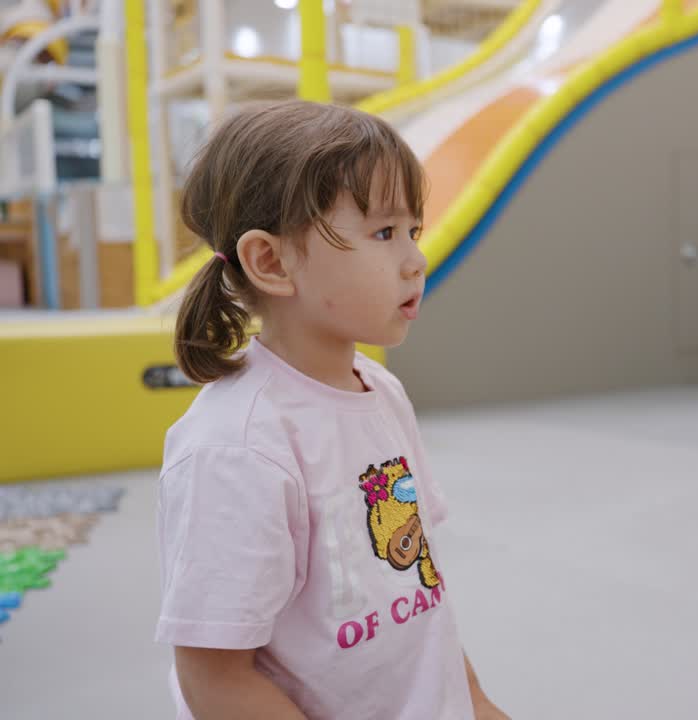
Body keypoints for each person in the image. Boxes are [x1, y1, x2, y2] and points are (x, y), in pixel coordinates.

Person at [155, 100, 507, 720]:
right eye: (383, 232)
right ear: (272, 261)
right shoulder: (237, 447)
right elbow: (214, 679)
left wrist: (472, 699)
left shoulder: (379, 390)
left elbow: (419, 587)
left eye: (412, 232)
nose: (415, 260)